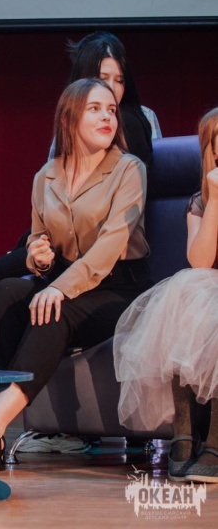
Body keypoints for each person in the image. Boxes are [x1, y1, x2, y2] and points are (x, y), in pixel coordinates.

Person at [0, 31, 160, 453]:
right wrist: (39, 260)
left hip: (120, 286)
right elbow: (40, 244)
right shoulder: (45, 177)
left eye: (112, 110)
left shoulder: (128, 169)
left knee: (54, 310)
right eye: (95, 109)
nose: (108, 117)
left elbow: (109, 249)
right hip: (69, 279)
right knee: (6, 291)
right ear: (69, 119)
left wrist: (58, 287)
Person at [114, 108, 218, 483]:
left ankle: (215, 442)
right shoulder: (200, 201)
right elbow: (200, 261)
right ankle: (183, 437)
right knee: (188, 290)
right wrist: (215, 199)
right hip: (211, 287)